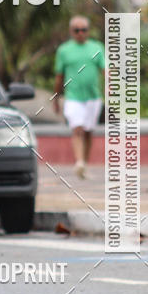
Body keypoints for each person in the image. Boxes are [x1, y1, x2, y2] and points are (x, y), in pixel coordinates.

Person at [53, 16, 105, 178]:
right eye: (77, 30)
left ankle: (84, 165)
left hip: (93, 97)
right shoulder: (64, 50)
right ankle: (79, 162)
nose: (80, 33)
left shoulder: (96, 47)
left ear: (88, 31)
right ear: (71, 32)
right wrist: (56, 97)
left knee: (88, 132)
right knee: (78, 128)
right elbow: (59, 77)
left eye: (84, 30)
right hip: (73, 97)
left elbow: (105, 70)